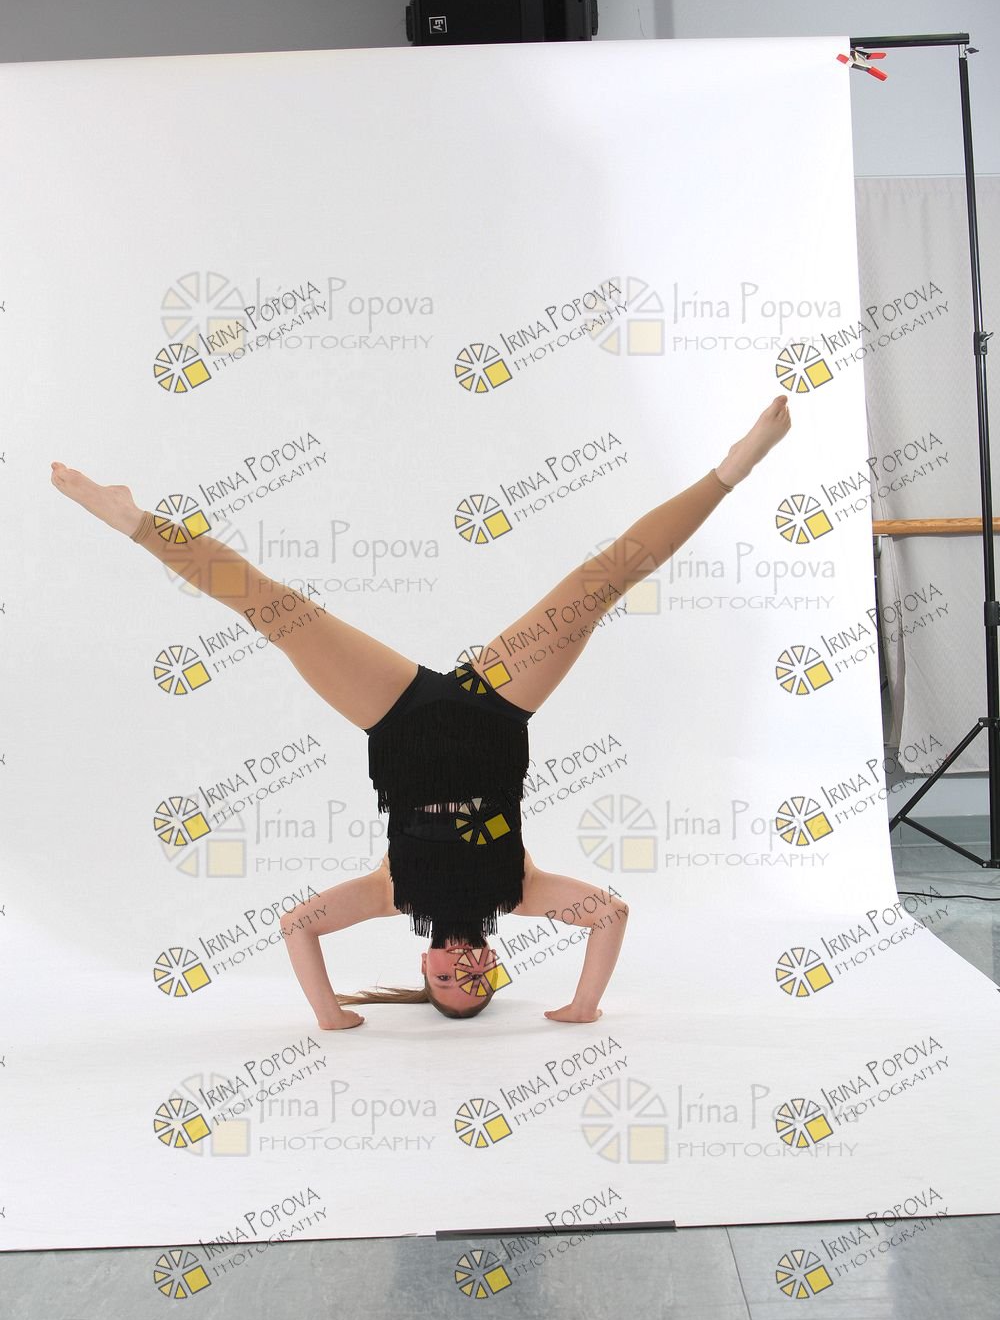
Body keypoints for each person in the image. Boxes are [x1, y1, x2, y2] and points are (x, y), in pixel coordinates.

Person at [50, 395, 791, 1030]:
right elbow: (610, 914)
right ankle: (732, 469)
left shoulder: (389, 893)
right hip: (495, 711)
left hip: (397, 720)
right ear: (495, 965)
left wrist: (330, 1014)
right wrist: (584, 1005)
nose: (461, 968)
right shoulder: (523, 891)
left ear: (423, 967)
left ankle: (135, 521)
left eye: (445, 980)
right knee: (599, 585)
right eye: (477, 980)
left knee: (275, 610)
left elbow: (297, 926)